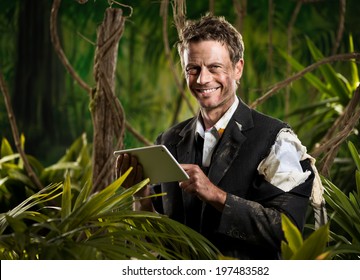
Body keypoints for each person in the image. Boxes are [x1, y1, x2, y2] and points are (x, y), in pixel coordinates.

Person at [116, 14, 325, 260]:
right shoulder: (168, 141)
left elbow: (287, 232)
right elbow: (159, 239)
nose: (203, 79)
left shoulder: (277, 139)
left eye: (214, 67)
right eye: (193, 69)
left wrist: (216, 195)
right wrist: (139, 195)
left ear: (238, 69)